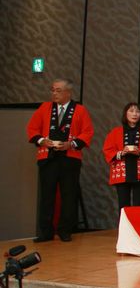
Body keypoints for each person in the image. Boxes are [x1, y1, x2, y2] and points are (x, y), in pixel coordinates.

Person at [26, 79, 93, 242]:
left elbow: (87, 132)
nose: (54, 93)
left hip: (70, 158)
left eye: (58, 90)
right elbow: (32, 128)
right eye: (53, 90)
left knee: (69, 195)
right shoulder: (45, 108)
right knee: (46, 195)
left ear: (68, 92)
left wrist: (71, 144)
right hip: (48, 158)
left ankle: (65, 230)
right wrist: (42, 141)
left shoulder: (80, 110)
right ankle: (45, 232)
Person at [103, 103, 140, 211]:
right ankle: (124, 223)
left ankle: (138, 223)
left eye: (137, 111)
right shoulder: (116, 131)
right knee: (123, 205)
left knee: (139, 205)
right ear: (125, 114)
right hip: (122, 172)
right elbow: (108, 149)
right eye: (131, 111)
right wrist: (121, 153)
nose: (135, 114)